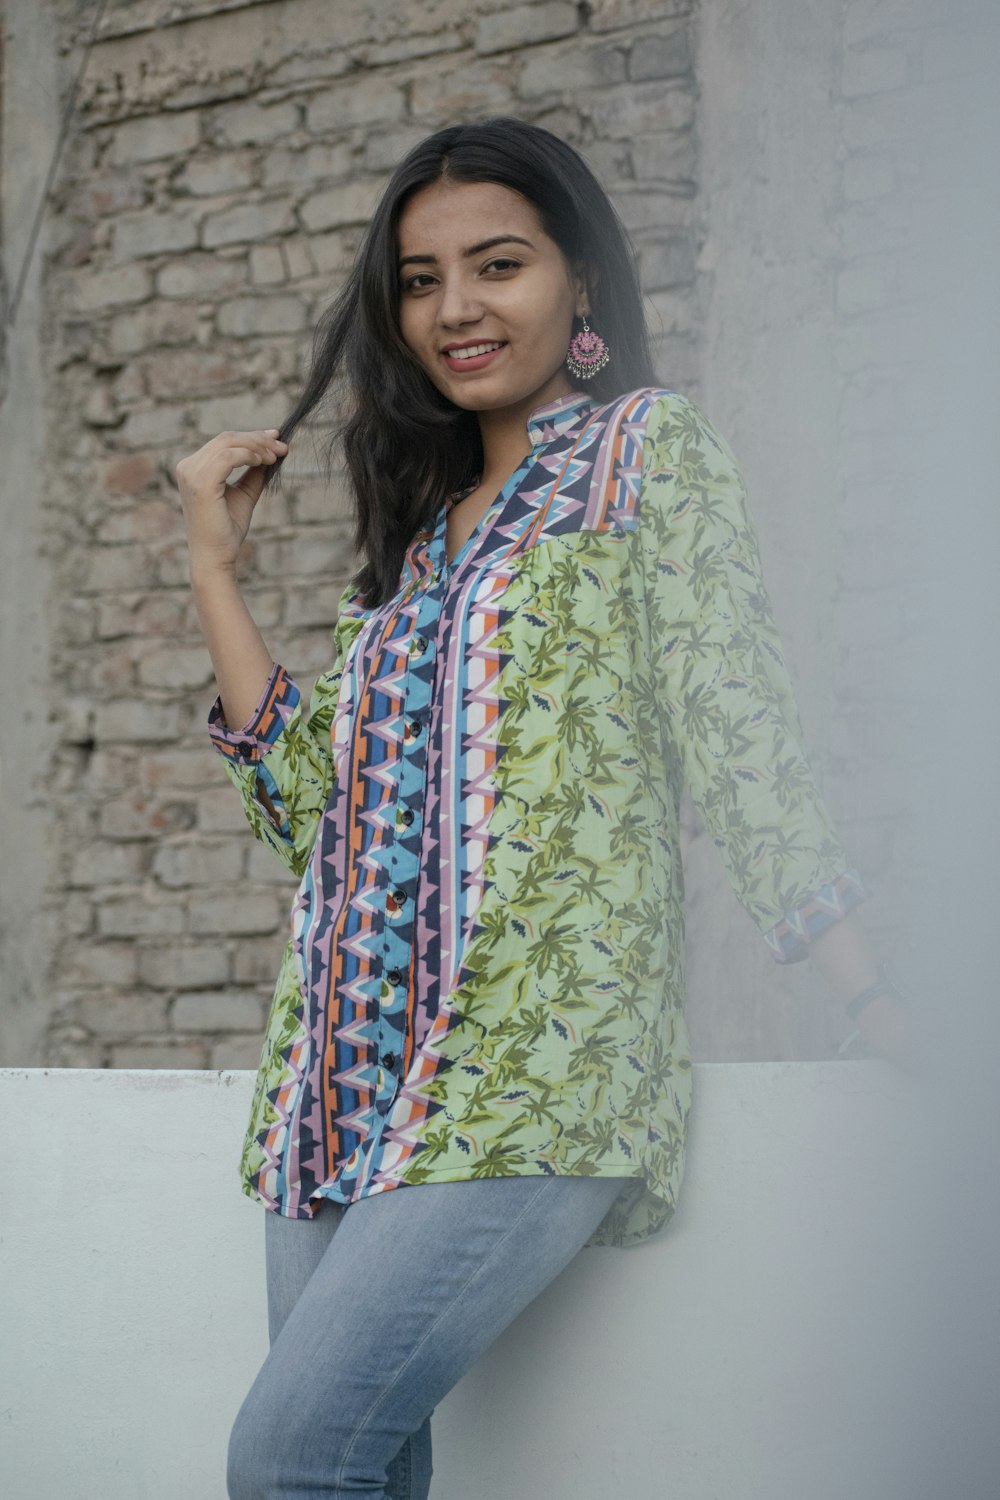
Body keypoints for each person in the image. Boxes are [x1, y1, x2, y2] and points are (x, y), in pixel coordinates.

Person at [175, 117, 916, 1500]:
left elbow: (740, 736)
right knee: (358, 1477)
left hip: (531, 1071)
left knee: (285, 1459)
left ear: (579, 281)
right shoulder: (417, 523)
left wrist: (875, 1000)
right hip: (336, 1080)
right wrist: (216, 568)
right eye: (419, 278)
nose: (455, 307)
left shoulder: (647, 456)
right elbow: (310, 825)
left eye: (497, 264)